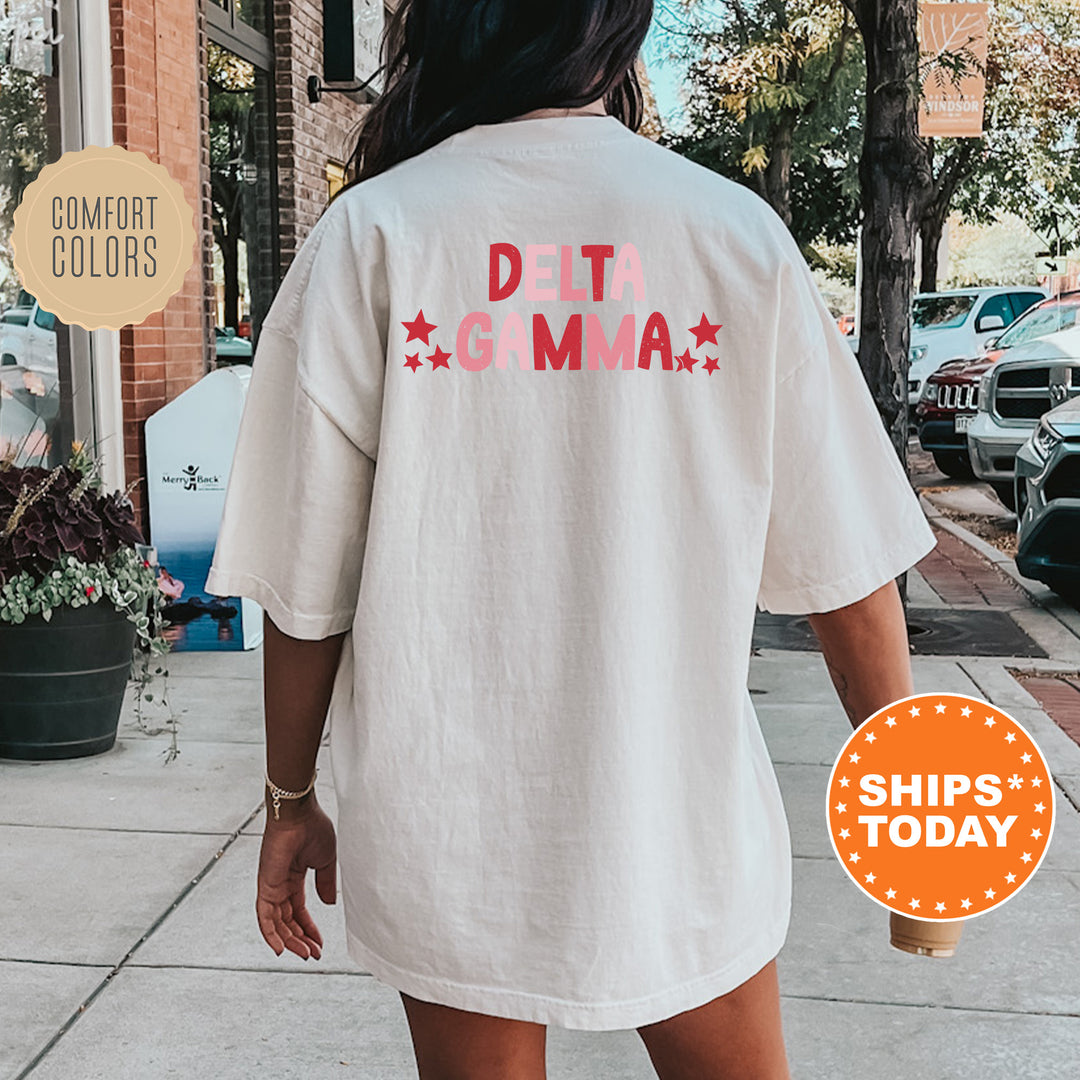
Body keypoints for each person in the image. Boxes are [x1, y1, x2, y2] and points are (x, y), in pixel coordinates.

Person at [204, 2, 937, 1076]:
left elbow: (307, 588)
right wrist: (913, 819)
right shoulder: (732, 236)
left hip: (452, 827)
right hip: (679, 823)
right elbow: (848, 573)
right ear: (619, 27)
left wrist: (289, 799)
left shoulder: (372, 236)